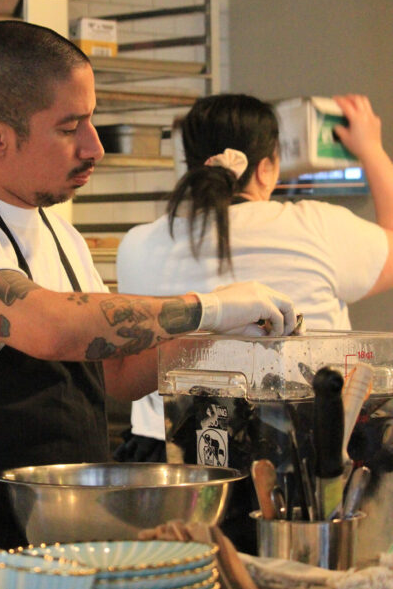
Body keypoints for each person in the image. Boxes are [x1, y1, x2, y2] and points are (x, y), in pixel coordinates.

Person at [0, 23, 298, 550]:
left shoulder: (63, 237)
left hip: (63, 534)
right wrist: (208, 307)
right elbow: (51, 327)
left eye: (91, 120)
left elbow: (116, 373)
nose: (94, 145)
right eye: (70, 126)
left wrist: (222, 339)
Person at [116, 92, 393, 462]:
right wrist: (371, 148)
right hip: (305, 453)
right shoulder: (318, 226)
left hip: (173, 456)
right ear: (265, 168)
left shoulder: (138, 244)